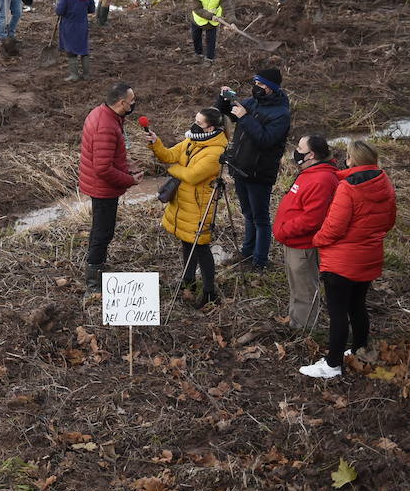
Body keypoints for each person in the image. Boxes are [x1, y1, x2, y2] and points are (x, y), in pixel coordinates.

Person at [299, 141, 398, 379]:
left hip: (342, 261)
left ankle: (332, 364)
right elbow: (389, 221)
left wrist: (317, 239)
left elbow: (334, 227)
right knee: (357, 306)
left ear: (352, 160)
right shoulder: (383, 181)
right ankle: (359, 348)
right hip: (369, 257)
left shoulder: (348, 187)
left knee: (338, 312)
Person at [142, 107, 229, 308]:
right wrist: (156, 144)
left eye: (199, 123)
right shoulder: (193, 140)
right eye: (195, 120)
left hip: (200, 207)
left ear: (212, 127)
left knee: (201, 247)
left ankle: (209, 292)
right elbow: (169, 155)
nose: (194, 125)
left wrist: (171, 169)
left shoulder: (216, 151)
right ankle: (188, 281)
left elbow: (192, 175)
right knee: (186, 241)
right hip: (183, 203)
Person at [216, 68, 292, 272]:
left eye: (261, 85)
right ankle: (247, 252)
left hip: (260, 173)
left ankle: (260, 261)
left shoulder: (281, 114)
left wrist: (245, 118)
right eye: (255, 83)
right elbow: (230, 115)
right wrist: (224, 101)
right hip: (241, 167)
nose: (256, 88)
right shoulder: (251, 102)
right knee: (248, 214)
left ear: (272, 88)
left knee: (260, 218)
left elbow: (265, 140)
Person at [79, 82, 144, 291]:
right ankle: (93, 281)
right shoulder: (106, 125)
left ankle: (97, 268)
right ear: (122, 102)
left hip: (100, 185)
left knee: (102, 230)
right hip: (102, 188)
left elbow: (108, 155)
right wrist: (130, 181)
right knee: (102, 232)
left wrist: (127, 166)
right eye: (132, 101)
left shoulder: (104, 114)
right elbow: (103, 169)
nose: (134, 104)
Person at [272, 135, 338, 330]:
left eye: (300, 148)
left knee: (305, 289)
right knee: (296, 285)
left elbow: (312, 219)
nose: (296, 151)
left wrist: (283, 231)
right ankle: (295, 321)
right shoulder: (310, 172)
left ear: (311, 154)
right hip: (292, 242)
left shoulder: (322, 179)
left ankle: (303, 330)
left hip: (302, 245)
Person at [55, 0, 95, 82]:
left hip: (69, 26)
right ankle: (87, 74)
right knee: (83, 48)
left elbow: (59, 11)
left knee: (71, 50)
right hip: (83, 24)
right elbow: (91, 9)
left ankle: (74, 75)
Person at [190, 0, 232, 64]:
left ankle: (210, 58)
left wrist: (232, 22)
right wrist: (210, 16)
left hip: (213, 21)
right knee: (196, 36)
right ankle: (198, 53)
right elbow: (196, 8)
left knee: (211, 39)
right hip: (198, 19)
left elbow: (227, 7)